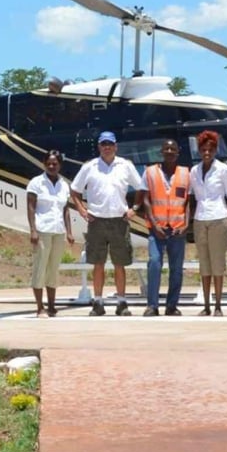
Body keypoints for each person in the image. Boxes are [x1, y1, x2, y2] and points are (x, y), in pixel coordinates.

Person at [69, 131, 146, 316]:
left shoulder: (125, 165)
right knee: (98, 263)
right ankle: (98, 302)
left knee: (120, 263)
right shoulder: (90, 167)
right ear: (99, 147)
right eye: (103, 144)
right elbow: (74, 190)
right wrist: (81, 209)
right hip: (97, 221)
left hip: (120, 220)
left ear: (116, 146)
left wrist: (134, 208)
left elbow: (141, 187)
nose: (107, 147)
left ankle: (121, 302)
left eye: (110, 144)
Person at [142, 137, 191, 316]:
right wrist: (154, 225)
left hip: (178, 229)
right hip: (157, 229)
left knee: (176, 269)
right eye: (166, 149)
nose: (169, 152)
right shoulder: (150, 172)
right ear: (161, 152)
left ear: (178, 153)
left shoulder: (186, 173)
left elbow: (188, 202)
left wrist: (186, 224)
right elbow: (146, 200)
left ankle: (171, 305)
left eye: (173, 149)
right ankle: (152, 305)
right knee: (154, 262)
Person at [188, 129, 227, 316]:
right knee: (204, 264)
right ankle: (206, 305)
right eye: (203, 149)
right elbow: (192, 196)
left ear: (216, 150)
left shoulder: (223, 169)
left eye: (210, 149)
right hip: (200, 219)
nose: (207, 153)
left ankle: (218, 306)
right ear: (199, 151)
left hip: (218, 218)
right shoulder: (194, 170)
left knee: (218, 263)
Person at [25, 150, 75, 318]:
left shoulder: (64, 185)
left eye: (55, 163)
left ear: (60, 165)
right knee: (40, 268)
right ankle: (40, 307)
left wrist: (69, 231)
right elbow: (31, 207)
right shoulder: (36, 183)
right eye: (49, 163)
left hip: (58, 231)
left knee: (53, 269)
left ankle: (52, 305)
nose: (52, 166)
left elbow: (66, 210)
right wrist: (32, 230)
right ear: (44, 164)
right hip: (42, 230)